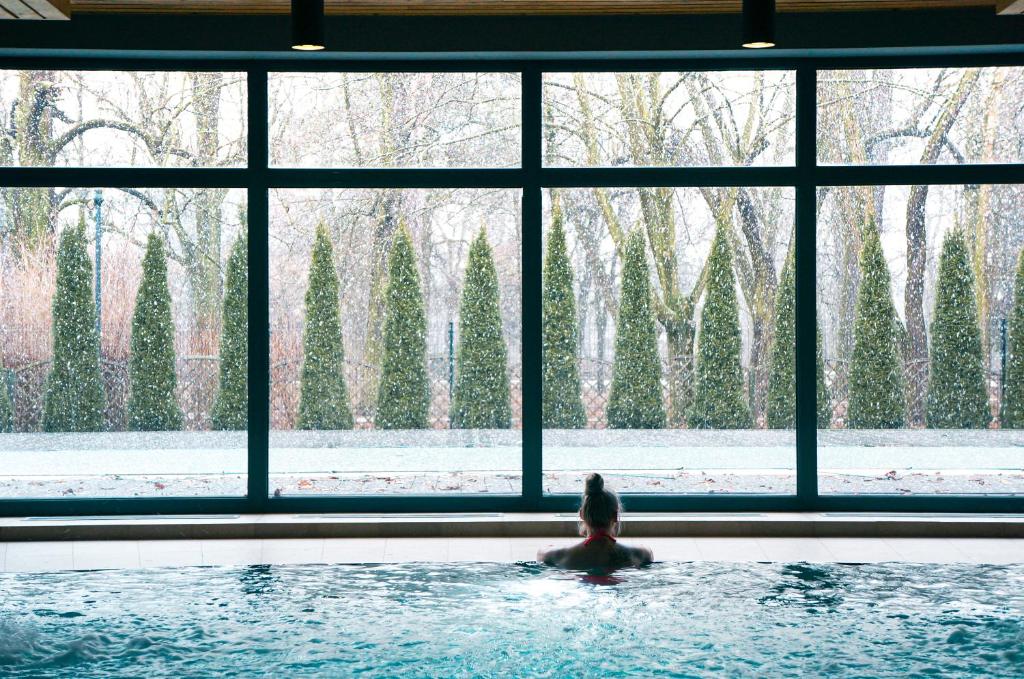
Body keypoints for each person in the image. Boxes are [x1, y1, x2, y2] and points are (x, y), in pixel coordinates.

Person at [537, 473, 653, 571]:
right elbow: (648, 552)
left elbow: (541, 553)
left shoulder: (562, 555)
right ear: (615, 516)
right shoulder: (638, 554)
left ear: (582, 515)